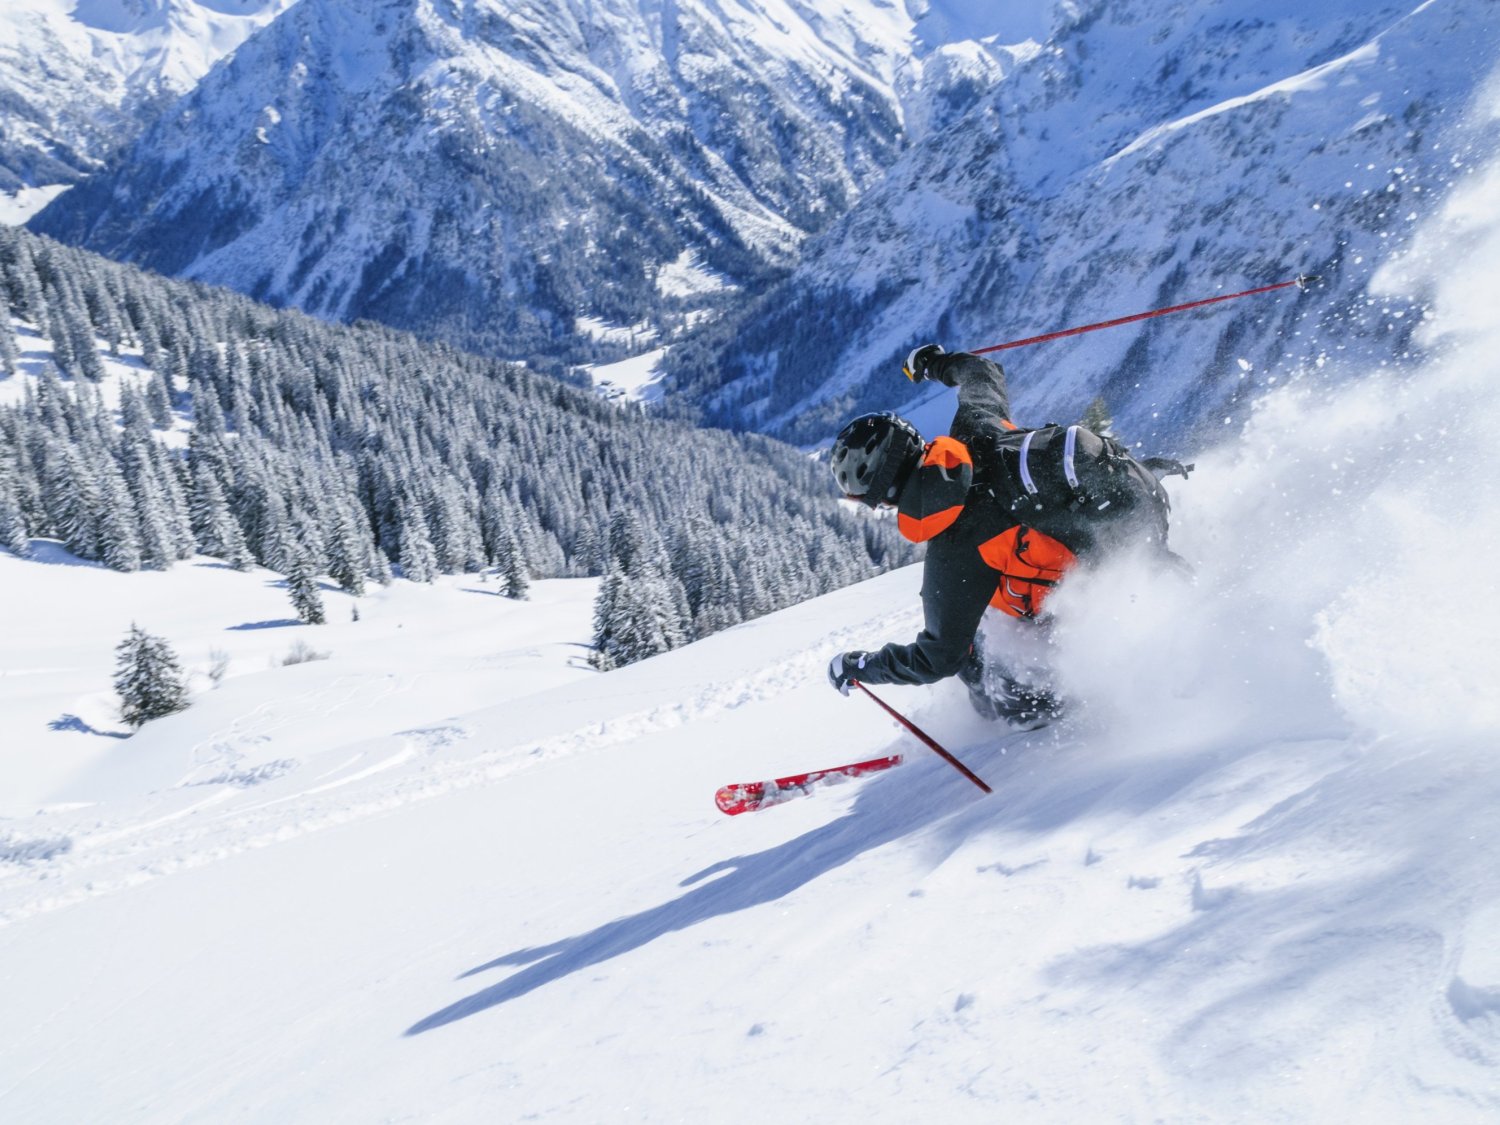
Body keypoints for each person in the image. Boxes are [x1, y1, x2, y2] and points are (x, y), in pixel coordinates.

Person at [826, 344, 1180, 726]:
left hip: (1095, 603)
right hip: (1137, 529)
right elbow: (982, 373)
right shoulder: (977, 428)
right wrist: (933, 363)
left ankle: (1044, 718)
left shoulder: (954, 547)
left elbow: (937, 659)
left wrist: (861, 666)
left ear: (882, 496)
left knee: (974, 657)